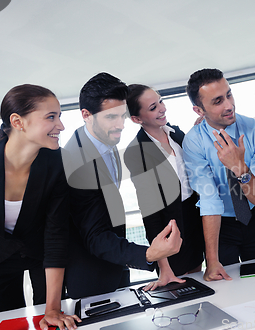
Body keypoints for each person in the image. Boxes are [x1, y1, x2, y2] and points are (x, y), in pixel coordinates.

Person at [0, 84, 80, 330]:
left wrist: (52, 308)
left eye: (60, 116)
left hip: (43, 254)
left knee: (54, 322)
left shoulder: (59, 163)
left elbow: (56, 235)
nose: (61, 126)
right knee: (3, 323)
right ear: (18, 122)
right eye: (51, 117)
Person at [61, 73, 182, 299]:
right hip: (91, 277)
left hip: (115, 266)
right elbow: (95, 236)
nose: (120, 125)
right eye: (111, 117)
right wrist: (148, 253)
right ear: (86, 115)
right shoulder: (76, 161)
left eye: (122, 115)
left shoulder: (104, 140)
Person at [183, 68, 255, 282]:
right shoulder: (194, 142)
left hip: (254, 220)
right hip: (220, 226)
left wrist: (241, 169)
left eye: (229, 94)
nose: (229, 105)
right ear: (199, 110)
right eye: (217, 101)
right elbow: (209, 200)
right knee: (226, 290)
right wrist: (212, 260)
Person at [124, 84, 205, 287]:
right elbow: (150, 212)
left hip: (195, 214)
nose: (162, 108)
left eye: (160, 101)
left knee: (200, 275)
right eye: (153, 107)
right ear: (137, 119)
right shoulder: (136, 152)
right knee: (181, 284)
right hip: (171, 223)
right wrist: (164, 268)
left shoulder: (176, 133)